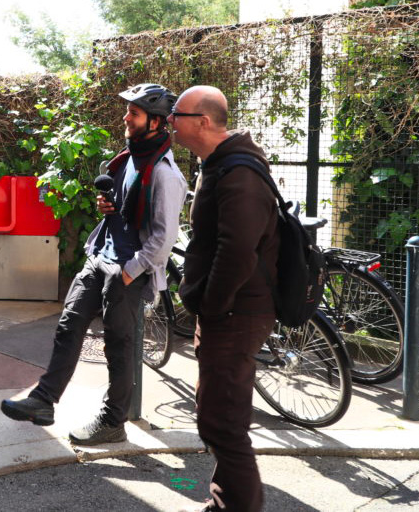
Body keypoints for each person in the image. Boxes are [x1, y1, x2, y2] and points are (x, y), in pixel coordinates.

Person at [0, 83, 187, 445]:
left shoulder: (166, 173)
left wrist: (130, 272)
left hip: (127, 269)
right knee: (69, 325)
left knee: (118, 345)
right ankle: (43, 401)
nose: (125, 118)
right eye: (128, 111)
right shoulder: (129, 157)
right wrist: (109, 209)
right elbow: (126, 207)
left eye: (133, 113)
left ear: (155, 122)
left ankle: (113, 421)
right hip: (102, 254)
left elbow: (163, 239)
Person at [170, 85, 280, 512]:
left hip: (236, 312)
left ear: (203, 122)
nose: (170, 121)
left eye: (177, 114)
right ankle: (225, 503)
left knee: (225, 424)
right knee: (218, 417)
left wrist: (212, 307)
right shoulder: (218, 166)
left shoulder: (239, 173)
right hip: (228, 311)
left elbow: (237, 250)